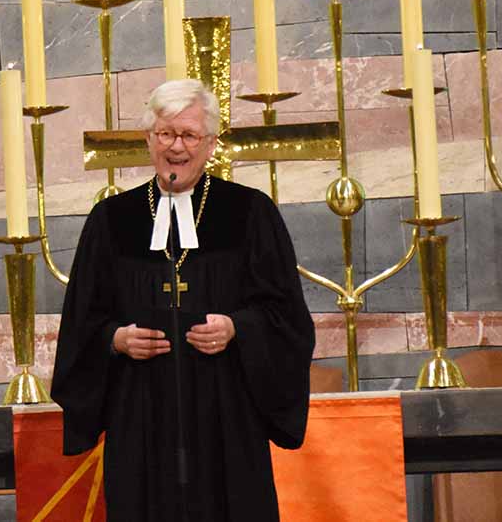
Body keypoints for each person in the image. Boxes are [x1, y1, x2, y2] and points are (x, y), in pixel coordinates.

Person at [51, 79, 315, 521]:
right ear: (148, 139)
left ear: (211, 143)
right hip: (140, 414)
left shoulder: (250, 213)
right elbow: (80, 322)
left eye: (189, 135)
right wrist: (115, 340)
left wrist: (237, 328)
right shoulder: (112, 221)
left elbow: (287, 317)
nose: (177, 146)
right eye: (166, 134)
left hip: (227, 414)